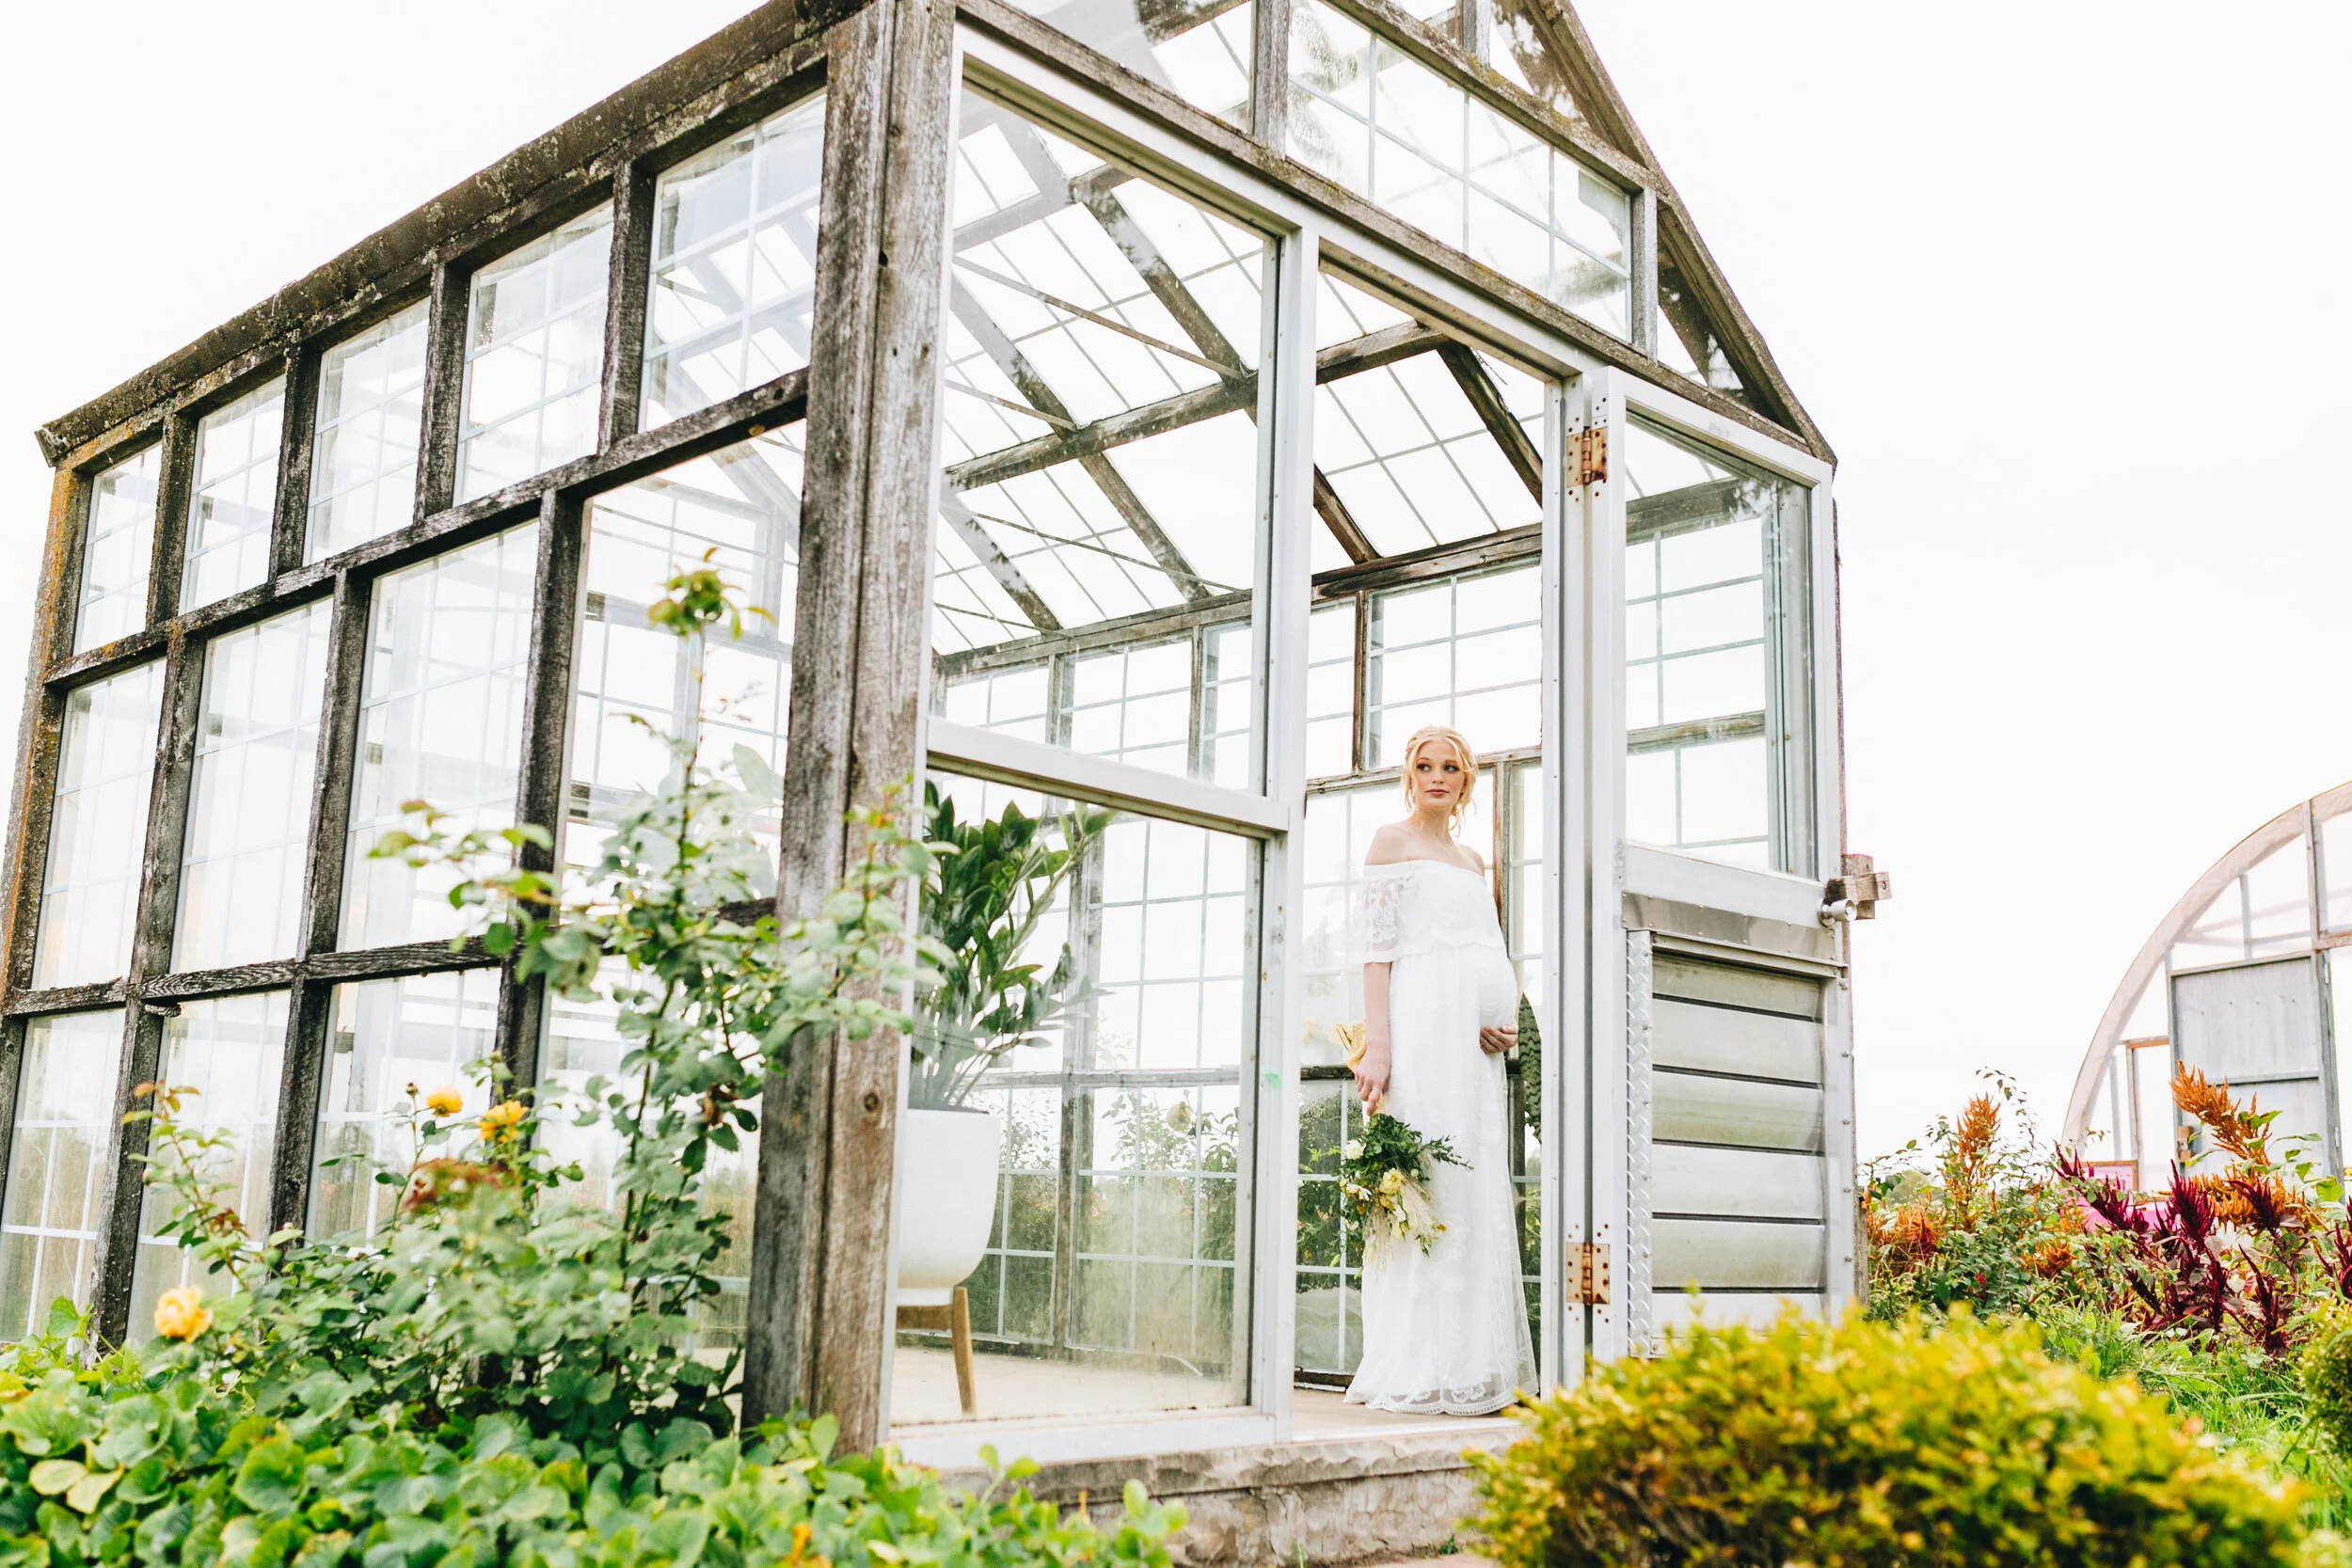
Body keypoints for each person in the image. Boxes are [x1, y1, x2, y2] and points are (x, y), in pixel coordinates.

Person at [1344, 724, 1537, 1416]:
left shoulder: (1473, 859)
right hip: (1421, 1028)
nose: (1436, 776)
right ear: (1409, 773)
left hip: (1474, 1047)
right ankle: (1415, 1363)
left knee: (1471, 1185)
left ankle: (1473, 1362)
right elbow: (1376, 952)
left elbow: (1489, 945)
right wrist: (1380, 1045)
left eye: (1449, 767)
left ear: (1465, 781)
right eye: (1424, 765)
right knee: (1425, 1179)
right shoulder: (1389, 843)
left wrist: (1503, 1014)